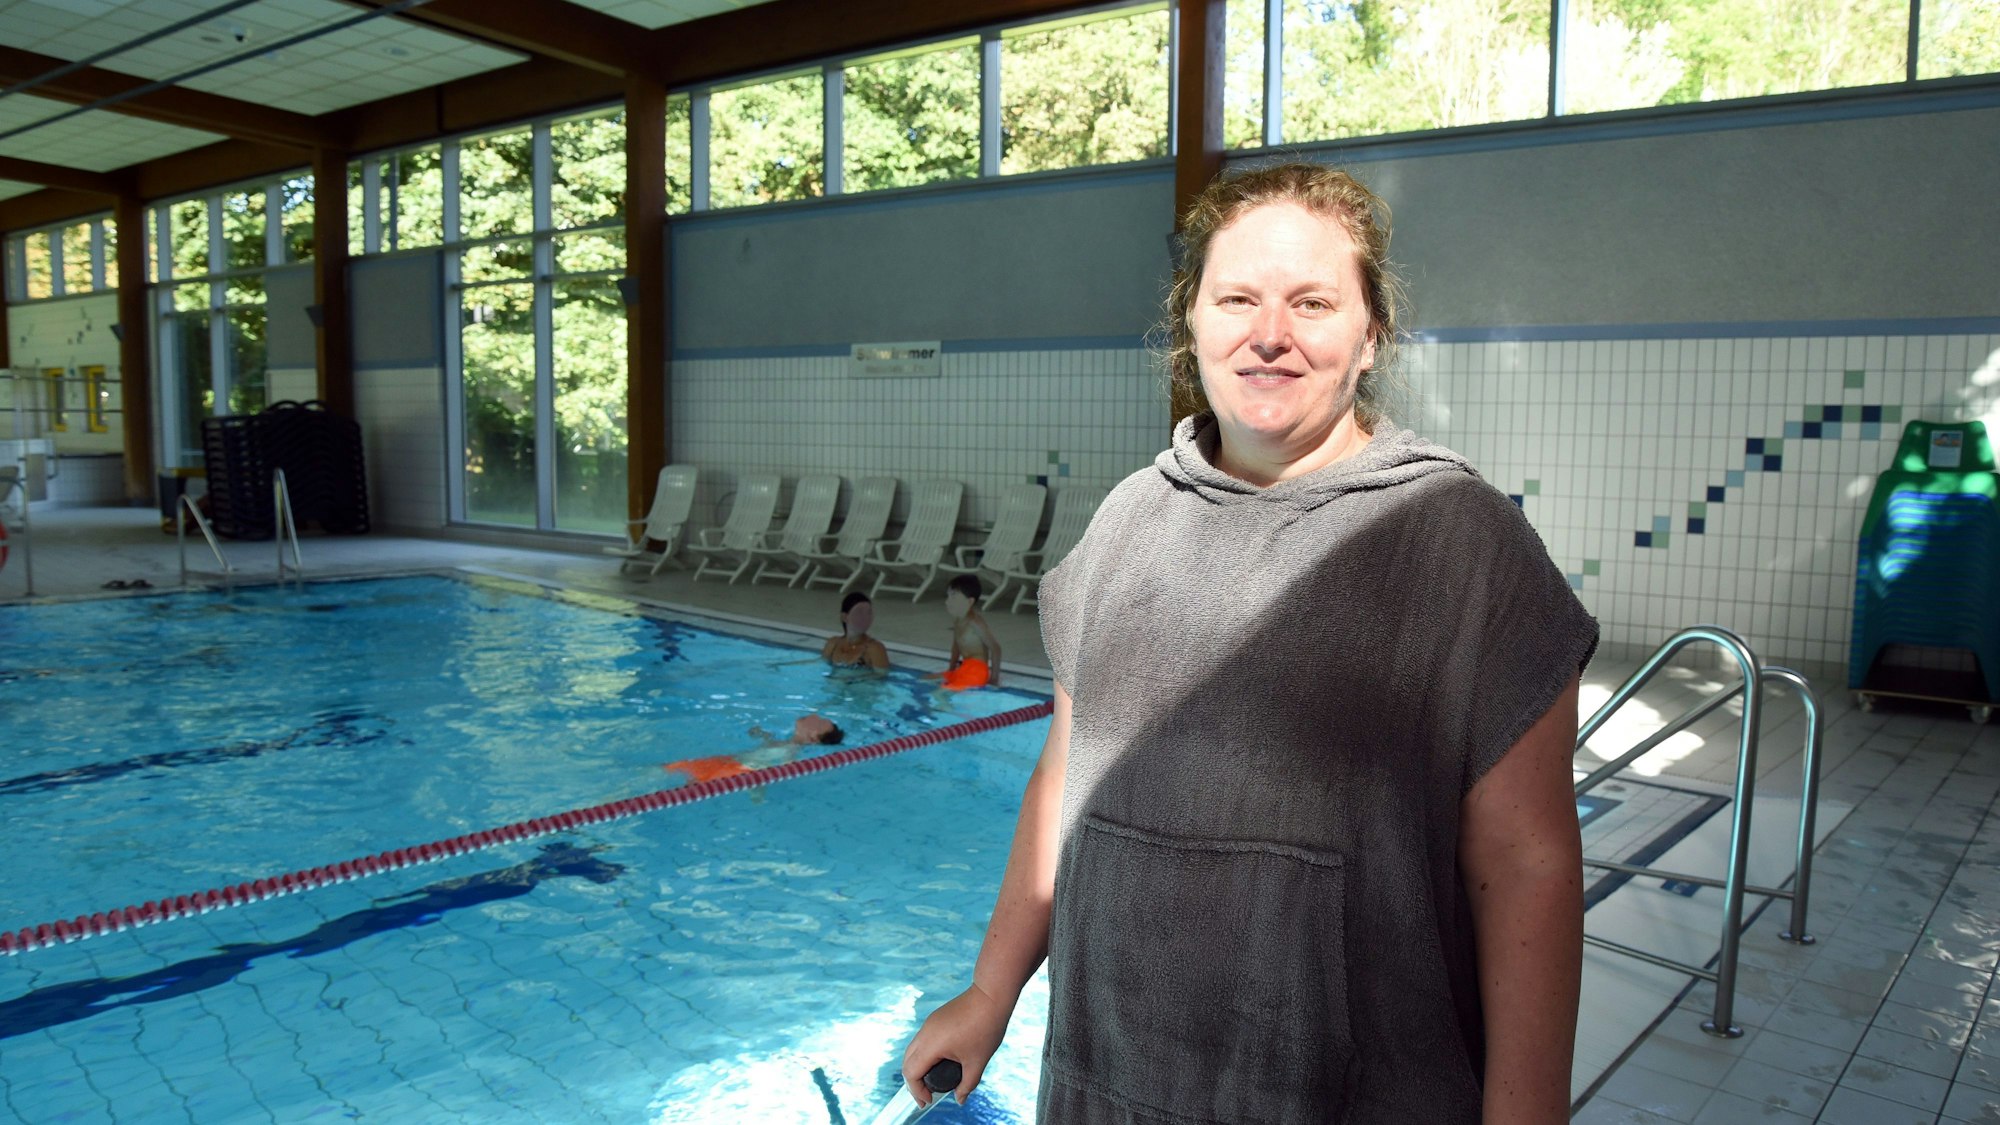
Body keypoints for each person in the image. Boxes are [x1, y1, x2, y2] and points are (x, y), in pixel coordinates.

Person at [899, 163, 1596, 1124]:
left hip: (1350, 1093)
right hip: (1111, 1080)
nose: (1270, 334)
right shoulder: (1132, 518)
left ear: (1370, 335)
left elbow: (1527, 863)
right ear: (1193, 321)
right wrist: (992, 990)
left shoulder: (1455, 536)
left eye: (1313, 302)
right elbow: (1067, 780)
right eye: (1238, 298)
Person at [663, 714, 845, 783]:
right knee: (672, 768)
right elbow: (771, 746)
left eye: (820, 722)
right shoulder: (786, 743)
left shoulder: (791, 750)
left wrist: (757, 789)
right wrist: (762, 735)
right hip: (729, 762)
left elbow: (784, 768)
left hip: (736, 770)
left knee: (687, 782)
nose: (815, 715)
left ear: (813, 737)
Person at [929, 574, 1002, 689]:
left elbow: (996, 648)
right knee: (925, 680)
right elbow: (956, 646)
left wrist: (994, 678)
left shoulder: (975, 622)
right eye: (948, 596)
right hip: (964, 668)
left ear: (969, 602)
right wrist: (951, 669)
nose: (948, 601)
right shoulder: (958, 620)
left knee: (941, 693)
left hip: (978, 671)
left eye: (954, 597)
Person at [822, 591, 891, 671]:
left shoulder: (874, 649)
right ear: (844, 617)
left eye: (869, 613)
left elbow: (881, 677)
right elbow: (820, 665)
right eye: (859, 613)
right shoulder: (833, 644)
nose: (865, 617)